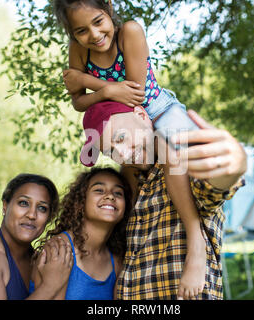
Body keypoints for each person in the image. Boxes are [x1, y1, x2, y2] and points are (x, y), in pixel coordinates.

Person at [53, 0, 209, 299]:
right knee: (128, 188)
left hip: (155, 109)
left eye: (99, 21)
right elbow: (77, 103)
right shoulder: (78, 47)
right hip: (120, 120)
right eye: (82, 30)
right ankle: (128, 262)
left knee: (172, 153)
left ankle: (196, 241)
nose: (94, 35)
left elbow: (135, 95)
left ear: (109, 8)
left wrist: (86, 81)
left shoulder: (131, 32)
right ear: (73, 33)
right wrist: (109, 89)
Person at [77, 101, 247, 299]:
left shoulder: (181, 166)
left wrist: (235, 165)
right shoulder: (129, 190)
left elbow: (214, 186)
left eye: (121, 137)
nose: (122, 154)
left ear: (141, 115)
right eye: (110, 151)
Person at [36, 167, 132, 300]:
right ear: (81, 202)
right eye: (99, 190)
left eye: (118, 193)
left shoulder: (115, 261)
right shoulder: (59, 248)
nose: (110, 196)